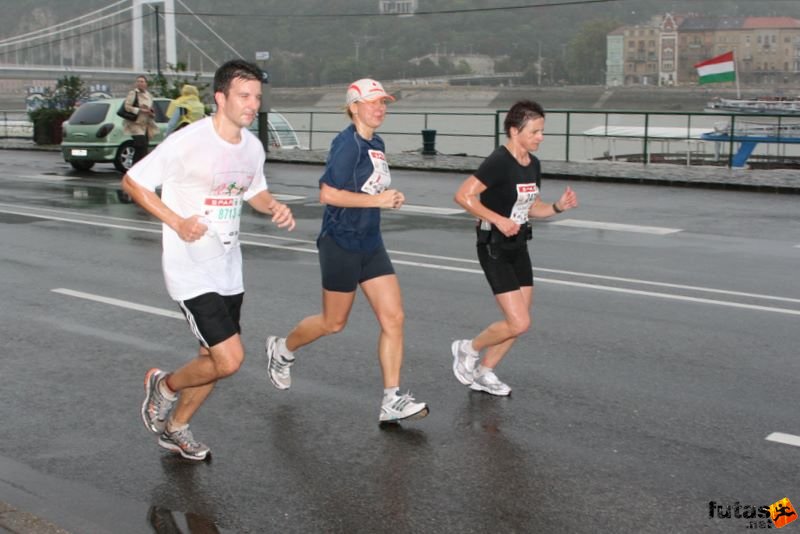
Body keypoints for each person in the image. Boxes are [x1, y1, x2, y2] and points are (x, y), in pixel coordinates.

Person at [121, 59, 295, 460]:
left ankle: (177, 427)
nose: (253, 104)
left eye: (257, 97)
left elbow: (254, 191)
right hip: (190, 270)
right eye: (244, 96)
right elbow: (133, 182)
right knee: (230, 359)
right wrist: (178, 222)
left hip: (228, 269)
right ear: (220, 98)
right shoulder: (188, 142)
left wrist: (274, 208)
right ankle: (164, 386)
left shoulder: (252, 147)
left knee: (210, 359)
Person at [264, 78, 429, 424]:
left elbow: (368, 188)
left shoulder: (376, 142)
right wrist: (377, 200)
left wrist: (388, 197)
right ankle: (282, 349)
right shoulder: (347, 144)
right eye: (372, 102)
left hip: (370, 241)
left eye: (383, 102)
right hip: (341, 242)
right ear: (354, 106)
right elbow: (327, 194)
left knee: (394, 318)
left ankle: (391, 400)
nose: (380, 108)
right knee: (333, 322)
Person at [451, 100, 578, 396]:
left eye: (542, 131)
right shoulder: (499, 161)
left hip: (519, 246)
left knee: (519, 323)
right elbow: (463, 196)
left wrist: (558, 207)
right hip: (494, 247)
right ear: (514, 130)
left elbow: (533, 208)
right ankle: (467, 348)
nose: (540, 137)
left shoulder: (532, 165)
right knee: (518, 321)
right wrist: (499, 220)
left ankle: (485, 372)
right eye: (535, 131)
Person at [122, 75, 159, 166]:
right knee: (140, 144)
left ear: (146, 84)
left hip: (146, 124)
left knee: (144, 148)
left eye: (142, 81)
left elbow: (151, 109)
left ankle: (140, 168)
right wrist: (140, 110)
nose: (140, 83)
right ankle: (135, 167)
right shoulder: (133, 93)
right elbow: (127, 107)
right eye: (138, 81)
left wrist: (150, 112)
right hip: (135, 123)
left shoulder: (149, 95)